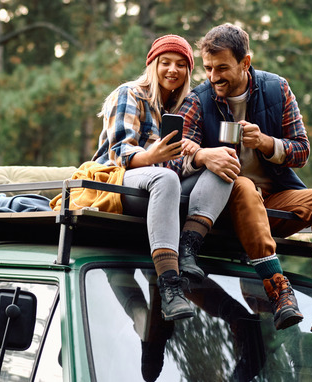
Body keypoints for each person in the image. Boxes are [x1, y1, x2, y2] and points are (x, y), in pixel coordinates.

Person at [168, 23, 312, 340]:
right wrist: (203, 157)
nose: (213, 77)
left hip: (273, 204)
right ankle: (277, 287)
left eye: (222, 68)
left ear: (245, 62)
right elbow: (171, 160)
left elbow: (302, 150)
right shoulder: (198, 101)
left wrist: (268, 144)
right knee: (242, 184)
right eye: (208, 68)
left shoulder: (277, 89)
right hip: (225, 210)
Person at [93, 34, 233, 322]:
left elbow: (181, 163)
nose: (173, 70)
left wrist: (204, 156)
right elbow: (118, 152)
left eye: (181, 64)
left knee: (223, 167)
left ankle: (188, 247)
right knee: (164, 178)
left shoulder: (185, 106)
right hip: (119, 179)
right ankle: (171, 286)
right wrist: (151, 157)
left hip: (163, 184)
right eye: (165, 62)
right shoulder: (130, 93)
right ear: (152, 65)